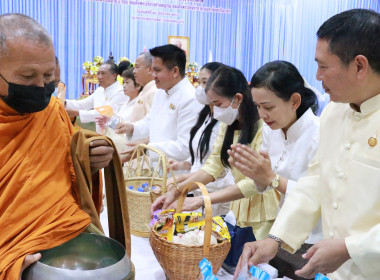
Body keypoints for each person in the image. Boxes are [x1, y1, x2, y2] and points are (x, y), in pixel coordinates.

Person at [234, 9, 380, 280]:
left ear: (359, 66)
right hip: (335, 271)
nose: (317, 76)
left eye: (323, 66)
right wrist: (276, 239)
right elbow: (315, 182)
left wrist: (351, 248)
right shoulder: (335, 113)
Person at [0, 13, 114, 279]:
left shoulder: (51, 110)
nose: (41, 86)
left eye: (48, 76)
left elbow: (69, 155)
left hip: (64, 227)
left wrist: (91, 158)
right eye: (28, 76)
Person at [151, 66, 280, 241]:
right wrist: (178, 191)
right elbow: (213, 165)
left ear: (237, 98)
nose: (213, 110)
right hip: (238, 206)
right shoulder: (228, 124)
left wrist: (202, 199)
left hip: (263, 210)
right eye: (211, 104)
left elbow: (255, 183)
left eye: (217, 104)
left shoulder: (264, 127)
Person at [224, 60, 322, 280]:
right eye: (257, 107)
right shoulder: (272, 132)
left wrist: (270, 178)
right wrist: (256, 175)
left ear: (295, 101)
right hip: (280, 232)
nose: (262, 115)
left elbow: (319, 196)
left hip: (314, 240)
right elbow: (264, 184)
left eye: (268, 107)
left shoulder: (319, 134)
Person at [167, 62, 235, 216]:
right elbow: (205, 156)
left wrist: (183, 179)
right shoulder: (206, 115)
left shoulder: (226, 118)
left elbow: (220, 168)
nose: (200, 88)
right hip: (198, 191)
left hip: (217, 195)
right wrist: (184, 164)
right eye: (200, 82)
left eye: (206, 82)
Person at [115, 44, 202, 162]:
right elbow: (150, 121)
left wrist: (147, 148)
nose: (153, 75)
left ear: (175, 71)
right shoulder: (161, 92)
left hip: (177, 170)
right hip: (158, 165)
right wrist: (132, 127)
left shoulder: (190, 98)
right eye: (152, 70)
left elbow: (184, 146)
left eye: (157, 70)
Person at [64, 60, 128, 134]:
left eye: (103, 73)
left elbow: (103, 114)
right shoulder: (100, 90)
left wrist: (75, 112)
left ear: (114, 76)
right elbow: (83, 104)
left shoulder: (120, 92)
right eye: (98, 73)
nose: (99, 77)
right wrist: (64, 103)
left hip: (114, 136)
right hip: (100, 134)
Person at [96, 67, 143, 153]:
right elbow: (118, 121)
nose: (124, 86)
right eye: (123, 82)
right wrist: (107, 121)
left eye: (127, 82)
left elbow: (133, 126)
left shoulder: (139, 104)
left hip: (130, 147)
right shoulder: (126, 102)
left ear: (138, 85)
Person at [129, 51, 157, 123]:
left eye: (137, 67)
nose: (134, 71)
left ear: (150, 69)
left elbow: (151, 125)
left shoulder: (153, 92)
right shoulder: (146, 89)